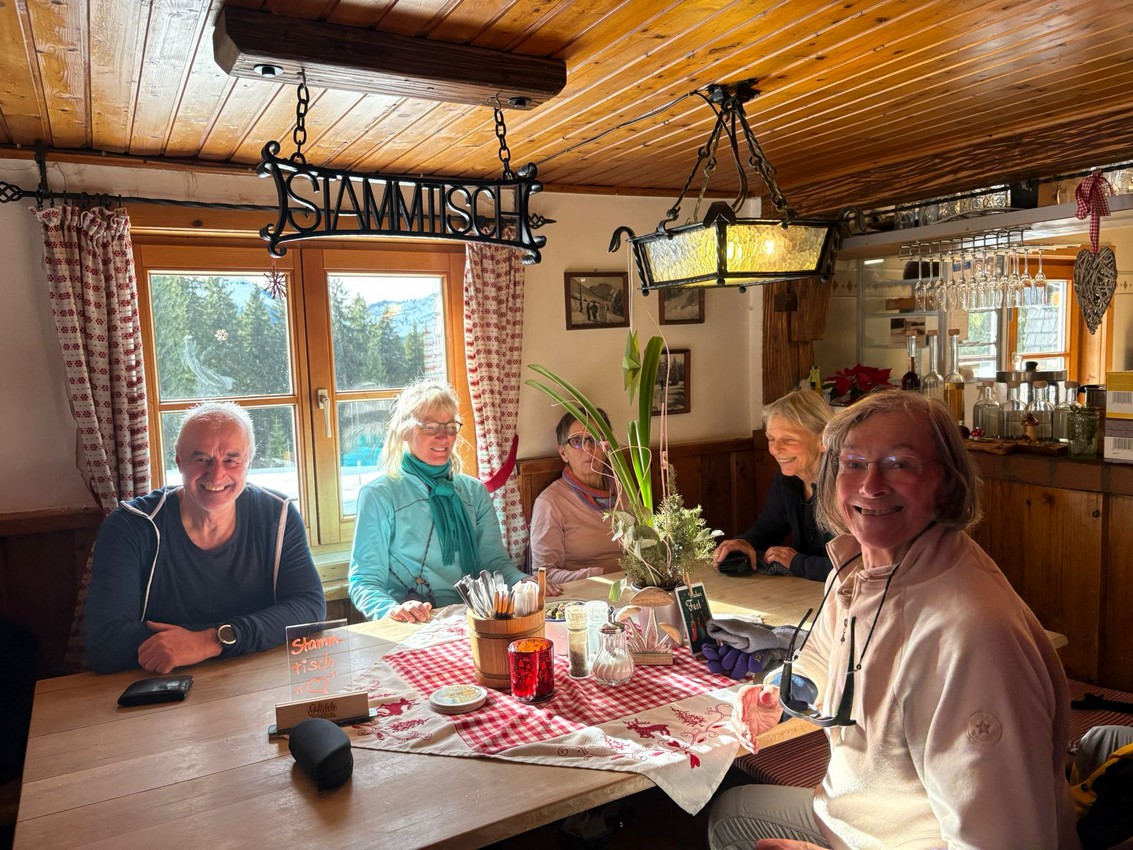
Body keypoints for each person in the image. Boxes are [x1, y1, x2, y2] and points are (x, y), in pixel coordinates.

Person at [709, 390, 1080, 850]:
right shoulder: (856, 569)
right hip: (855, 815)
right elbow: (823, 652)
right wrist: (786, 691)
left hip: (908, 840)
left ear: (948, 484)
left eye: (899, 464)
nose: (871, 485)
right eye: (853, 463)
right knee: (729, 812)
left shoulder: (973, 636)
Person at [85, 402, 326, 674]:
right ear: (178, 460)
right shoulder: (130, 525)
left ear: (249, 463)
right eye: (201, 459)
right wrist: (243, 635)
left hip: (257, 678)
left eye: (231, 460)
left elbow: (310, 608)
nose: (216, 474)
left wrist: (210, 641)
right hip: (158, 684)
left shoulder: (278, 515)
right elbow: (105, 642)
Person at [349, 380, 541, 623]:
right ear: (404, 431)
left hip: (475, 617)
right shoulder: (379, 495)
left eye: (450, 427)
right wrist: (392, 610)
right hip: (415, 624)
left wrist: (524, 582)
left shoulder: (475, 492)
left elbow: (494, 563)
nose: (443, 437)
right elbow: (364, 582)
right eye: (429, 427)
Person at [713, 389, 834, 581]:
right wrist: (745, 543)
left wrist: (798, 563)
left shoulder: (849, 486)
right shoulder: (788, 479)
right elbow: (769, 527)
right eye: (771, 439)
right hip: (806, 590)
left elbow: (858, 568)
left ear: (823, 440)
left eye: (789, 439)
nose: (776, 449)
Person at [529, 409, 623, 585]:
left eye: (596, 439)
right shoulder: (550, 502)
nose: (589, 448)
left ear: (607, 446)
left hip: (634, 585)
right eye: (577, 442)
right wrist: (599, 575)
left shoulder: (625, 491)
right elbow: (544, 575)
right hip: (585, 592)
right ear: (563, 453)